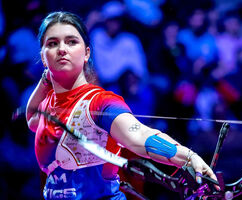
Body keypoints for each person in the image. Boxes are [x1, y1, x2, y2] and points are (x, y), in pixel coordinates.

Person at [25, 11, 218, 200]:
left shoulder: (100, 102)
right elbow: (31, 118)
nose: (62, 49)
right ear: (43, 57)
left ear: (86, 53)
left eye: (71, 41)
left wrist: (188, 156)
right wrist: (46, 81)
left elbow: (138, 136)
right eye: (52, 43)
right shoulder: (47, 104)